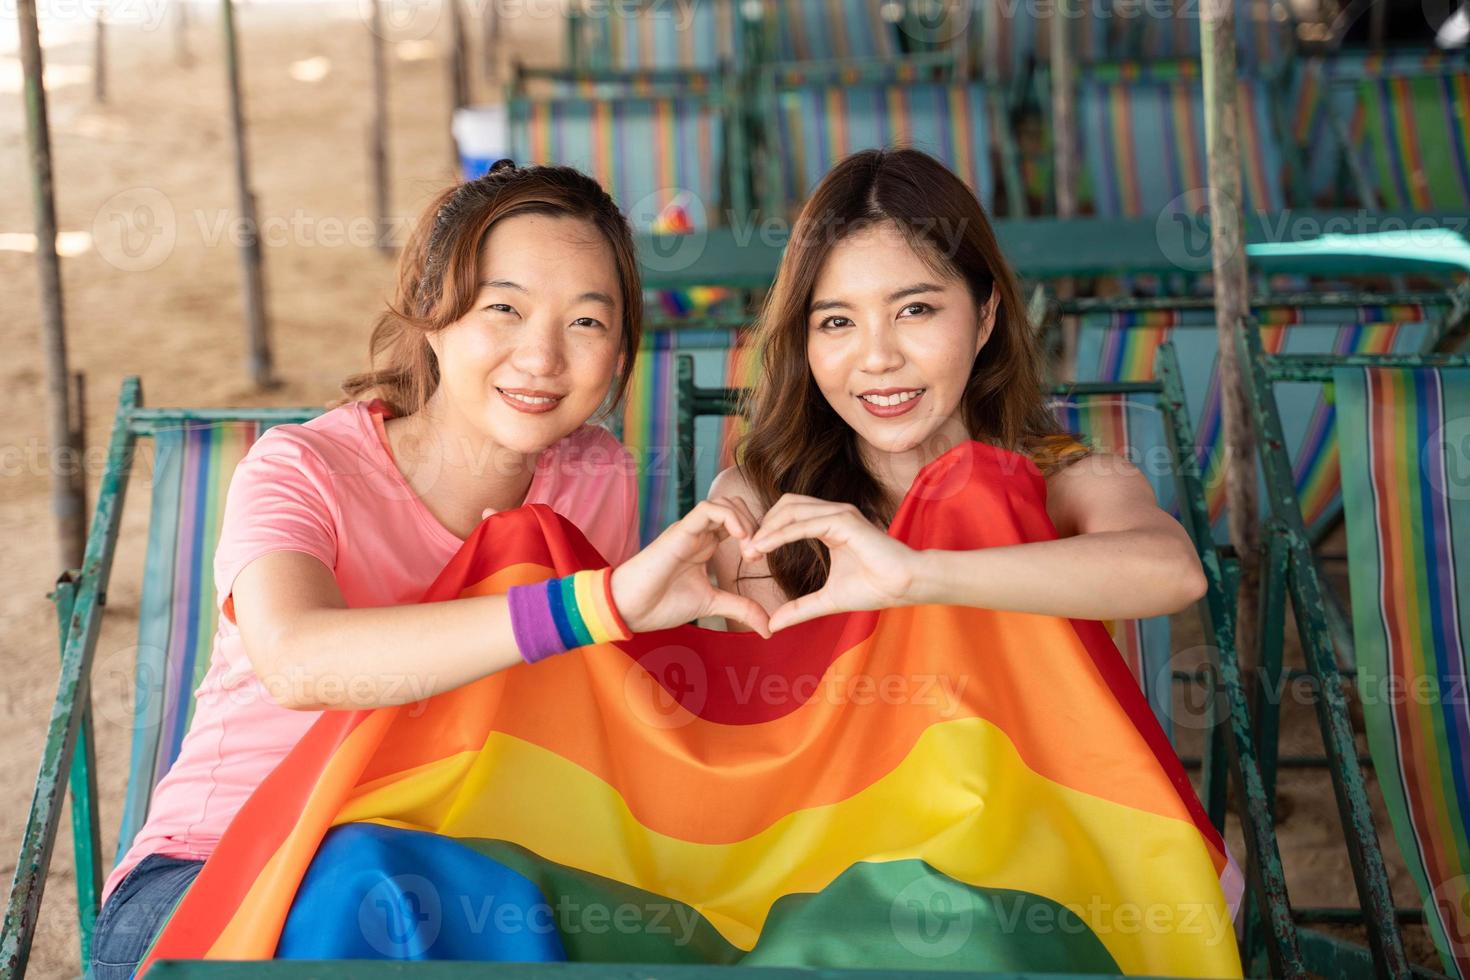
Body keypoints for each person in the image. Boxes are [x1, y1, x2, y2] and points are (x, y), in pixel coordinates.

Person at [90, 161, 770, 980]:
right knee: (383, 887)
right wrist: (594, 604)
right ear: (432, 313)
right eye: (504, 309)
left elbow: (578, 724)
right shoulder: (300, 470)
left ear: (622, 345)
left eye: (587, 323)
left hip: (456, 884)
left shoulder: (594, 477)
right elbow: (298, 660)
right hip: (209, 884)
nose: (542, 356)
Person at [709, 147, 1208, 630]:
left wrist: (915, 576)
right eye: (837, 321)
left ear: (985, 316)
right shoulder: (758, 506)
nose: (880, 358)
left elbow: (1174, 571)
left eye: (914, 310)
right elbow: (781, 708)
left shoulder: (1064, 479)